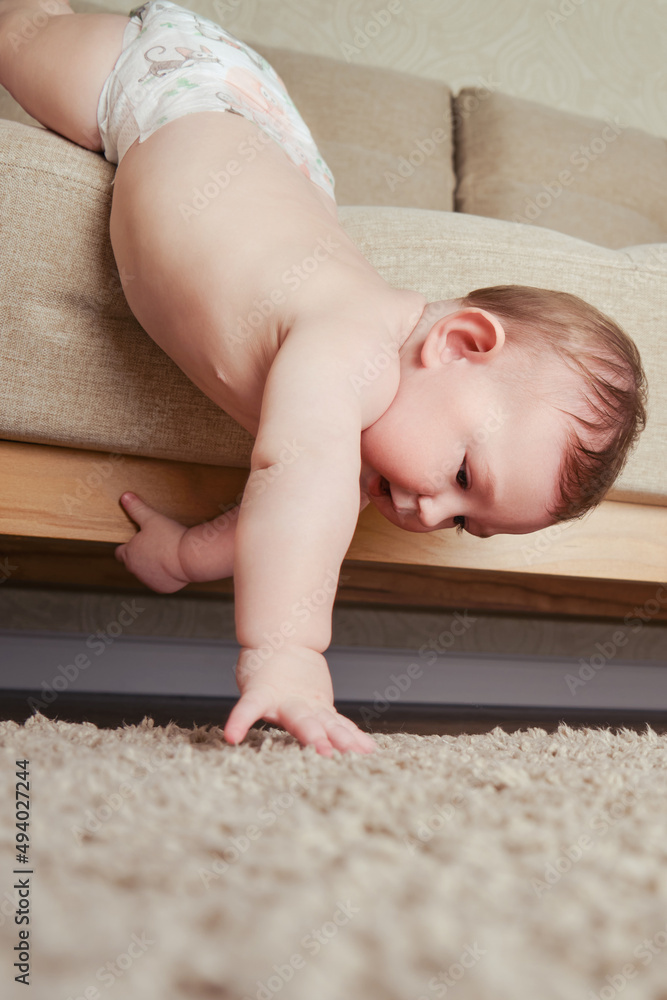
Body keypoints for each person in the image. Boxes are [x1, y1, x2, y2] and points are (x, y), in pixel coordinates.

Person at [0, 0, 647, 757]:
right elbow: (298, 483)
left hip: (271, 152)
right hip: (176, 85)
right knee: (22, 35)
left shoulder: (352, 434)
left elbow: (284, 505)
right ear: (458, 342)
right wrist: (288, 653)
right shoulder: (353, 342)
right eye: (464, 473)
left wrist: (183, 554)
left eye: (464, 521)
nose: (430, 511)